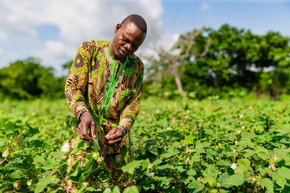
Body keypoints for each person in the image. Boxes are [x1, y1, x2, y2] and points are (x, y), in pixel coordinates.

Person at [64, 14, 147, 187]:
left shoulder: (137, 66)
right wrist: (83, 113)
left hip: (116, 137)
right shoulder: (89, 49)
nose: (128, 47)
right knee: (77, 183)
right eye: (125, 39)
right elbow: (73, 87)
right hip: (87, 129)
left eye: (135, 45)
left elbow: (133, 103)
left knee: (125, 186)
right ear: (117, 28)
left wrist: (123, 129)